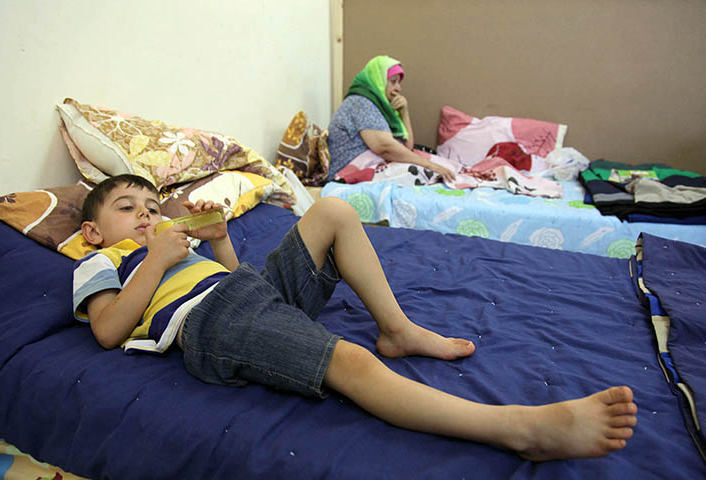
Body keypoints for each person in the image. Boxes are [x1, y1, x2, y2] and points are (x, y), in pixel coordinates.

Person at [73, 174, 637, 461]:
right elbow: (106, 330)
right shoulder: (99, 261)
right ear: (94, 231)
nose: (146, 216)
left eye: (151, 207)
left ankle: (398, 328)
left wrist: (219, 242)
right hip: (209, 326)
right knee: (349, 359)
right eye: (128, 209)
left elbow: (226, 278)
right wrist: (153, 260)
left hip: (240, 292)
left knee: (335, 210)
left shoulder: (168, 246)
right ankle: (520, 429)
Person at [327, 55, 456, 183]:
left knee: (446, 169)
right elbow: (384, 147)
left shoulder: (381, 107)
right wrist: (429, 165)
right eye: (393, 81)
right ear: (378, 80)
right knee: (424, 172)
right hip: (346, 173)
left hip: (370, 166)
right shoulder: (360, 102)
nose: (398, 88)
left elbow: (407, 147)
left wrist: (404, 112)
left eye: (399, 83)